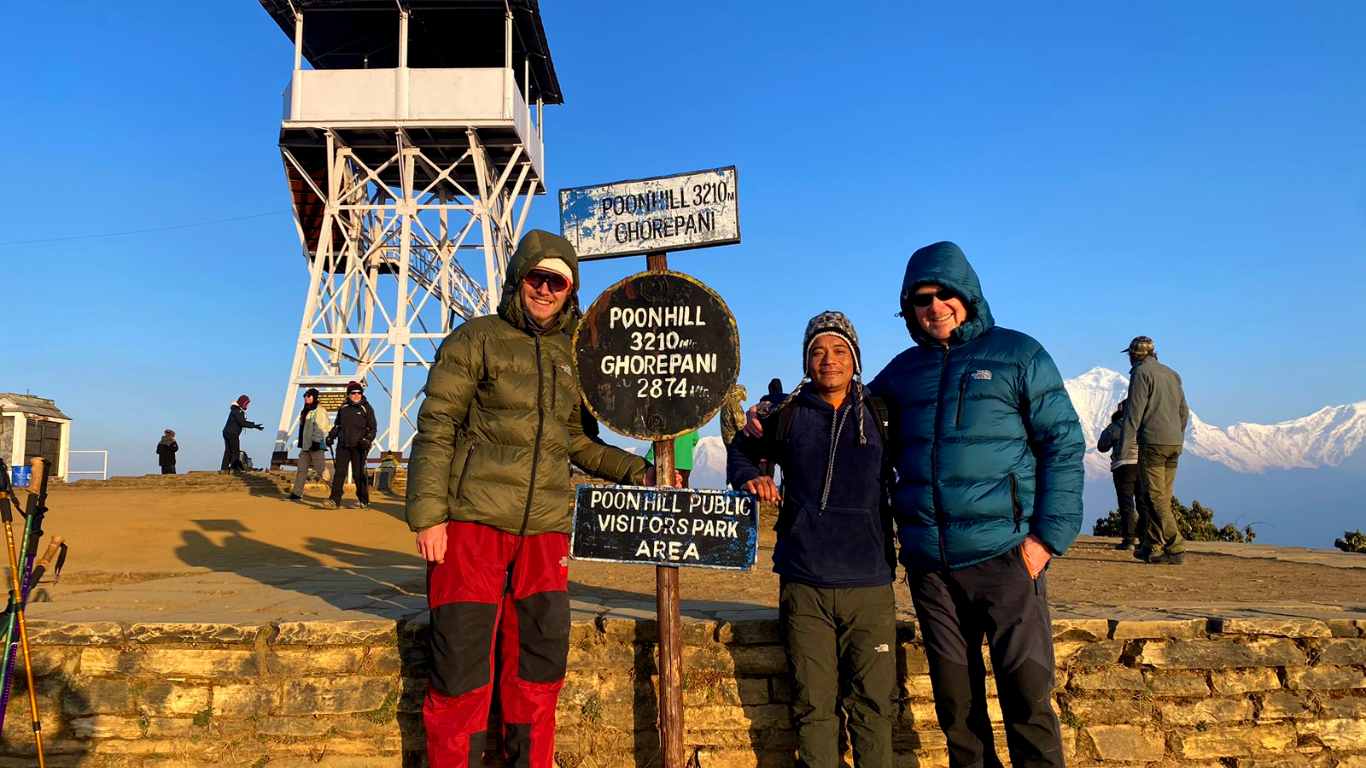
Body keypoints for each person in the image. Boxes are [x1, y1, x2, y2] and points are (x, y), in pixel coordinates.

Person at [406, 230, 670, 768]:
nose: (546, 290)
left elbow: (576, 442)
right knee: (459, 668)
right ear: (519, 277)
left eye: (558, 282)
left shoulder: (573, 354)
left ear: (570, 291)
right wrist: (429, 516)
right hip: (472, 527)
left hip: (546, 531)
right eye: (538, 277)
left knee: (538, 667)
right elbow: (436, 428)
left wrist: (639, 471)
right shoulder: (475, 339)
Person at [869, 241, 1084, 768]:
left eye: (945, 294)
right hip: (932, 569)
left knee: (1027, 696)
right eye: (922, 298)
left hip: (1007, 556)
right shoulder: (900, 373)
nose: (935, 306)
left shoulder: (1019, 355)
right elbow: (845, 419)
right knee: (956, 705)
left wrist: (1044, 542)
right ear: (909, 308)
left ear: (967, 295)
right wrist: (769, 419)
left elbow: (1063, 444)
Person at [728, 311, 896, 768]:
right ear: (806, 360)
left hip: (870, 581)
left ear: (855, 358)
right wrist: (750, 478)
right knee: (813, 706)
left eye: (839, 350)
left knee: (875, 706)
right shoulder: (785, 415)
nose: (829, 360)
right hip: (805, 581)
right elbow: (741, 452)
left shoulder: (882, 415)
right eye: (818, 351)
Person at [1117, 335, 1190, 565]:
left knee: (1153, 496)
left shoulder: (1140, 374)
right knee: (1162, 497)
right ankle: (1151, 545)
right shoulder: (1171, 373)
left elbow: (1134, 413)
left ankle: (1175, 544)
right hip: (1174, 442)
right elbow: (1184, 411)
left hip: (1154, 443)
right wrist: (1177, 434)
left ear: (1133, 356)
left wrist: (1123, 446)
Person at [326, 381, 377, 509]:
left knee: (358, 474)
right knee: (339, 473)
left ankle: (363, 499)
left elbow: (373, 428)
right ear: (348, 395)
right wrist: (331, 436)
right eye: (353, 393)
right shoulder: (343, 408)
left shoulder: (366, 407)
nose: (356, 395)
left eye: (359, 393)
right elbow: (337, 425)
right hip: (343, 445)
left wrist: (367, 440)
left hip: (359, 446)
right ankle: (334, 500)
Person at [1096, 400, 1139, 550]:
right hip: (1142, 466)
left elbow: (1102, 446)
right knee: (1143, 502)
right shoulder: (1142, 424)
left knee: (1126, 503)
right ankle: (1146, 539)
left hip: (1122, 466)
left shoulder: (1116, 426)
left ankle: (1129, 539)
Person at [290, 387, 332, 501]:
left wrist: (316, 441)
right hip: (305, 446)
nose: (306, 398)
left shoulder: (320, 411)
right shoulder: (305, 411)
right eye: (305, 396)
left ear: (314, 397)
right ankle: (297, 493)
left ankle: (335, 490)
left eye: (308, 396)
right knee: (301, 469)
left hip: (316, 446)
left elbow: (322, 428)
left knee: (321, 470)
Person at [221, 395, 263, 472]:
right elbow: (242, 422)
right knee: (235, 451)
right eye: (246, 404)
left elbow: (241, 422)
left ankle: (224, 469)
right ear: (242, 403)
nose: (247, 406)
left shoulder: (235, 410)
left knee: (228, 451)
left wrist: (253, 425)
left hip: (226, 432)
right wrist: (254, 426)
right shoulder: (238, 411)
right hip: (232, 433)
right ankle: (234, 468)